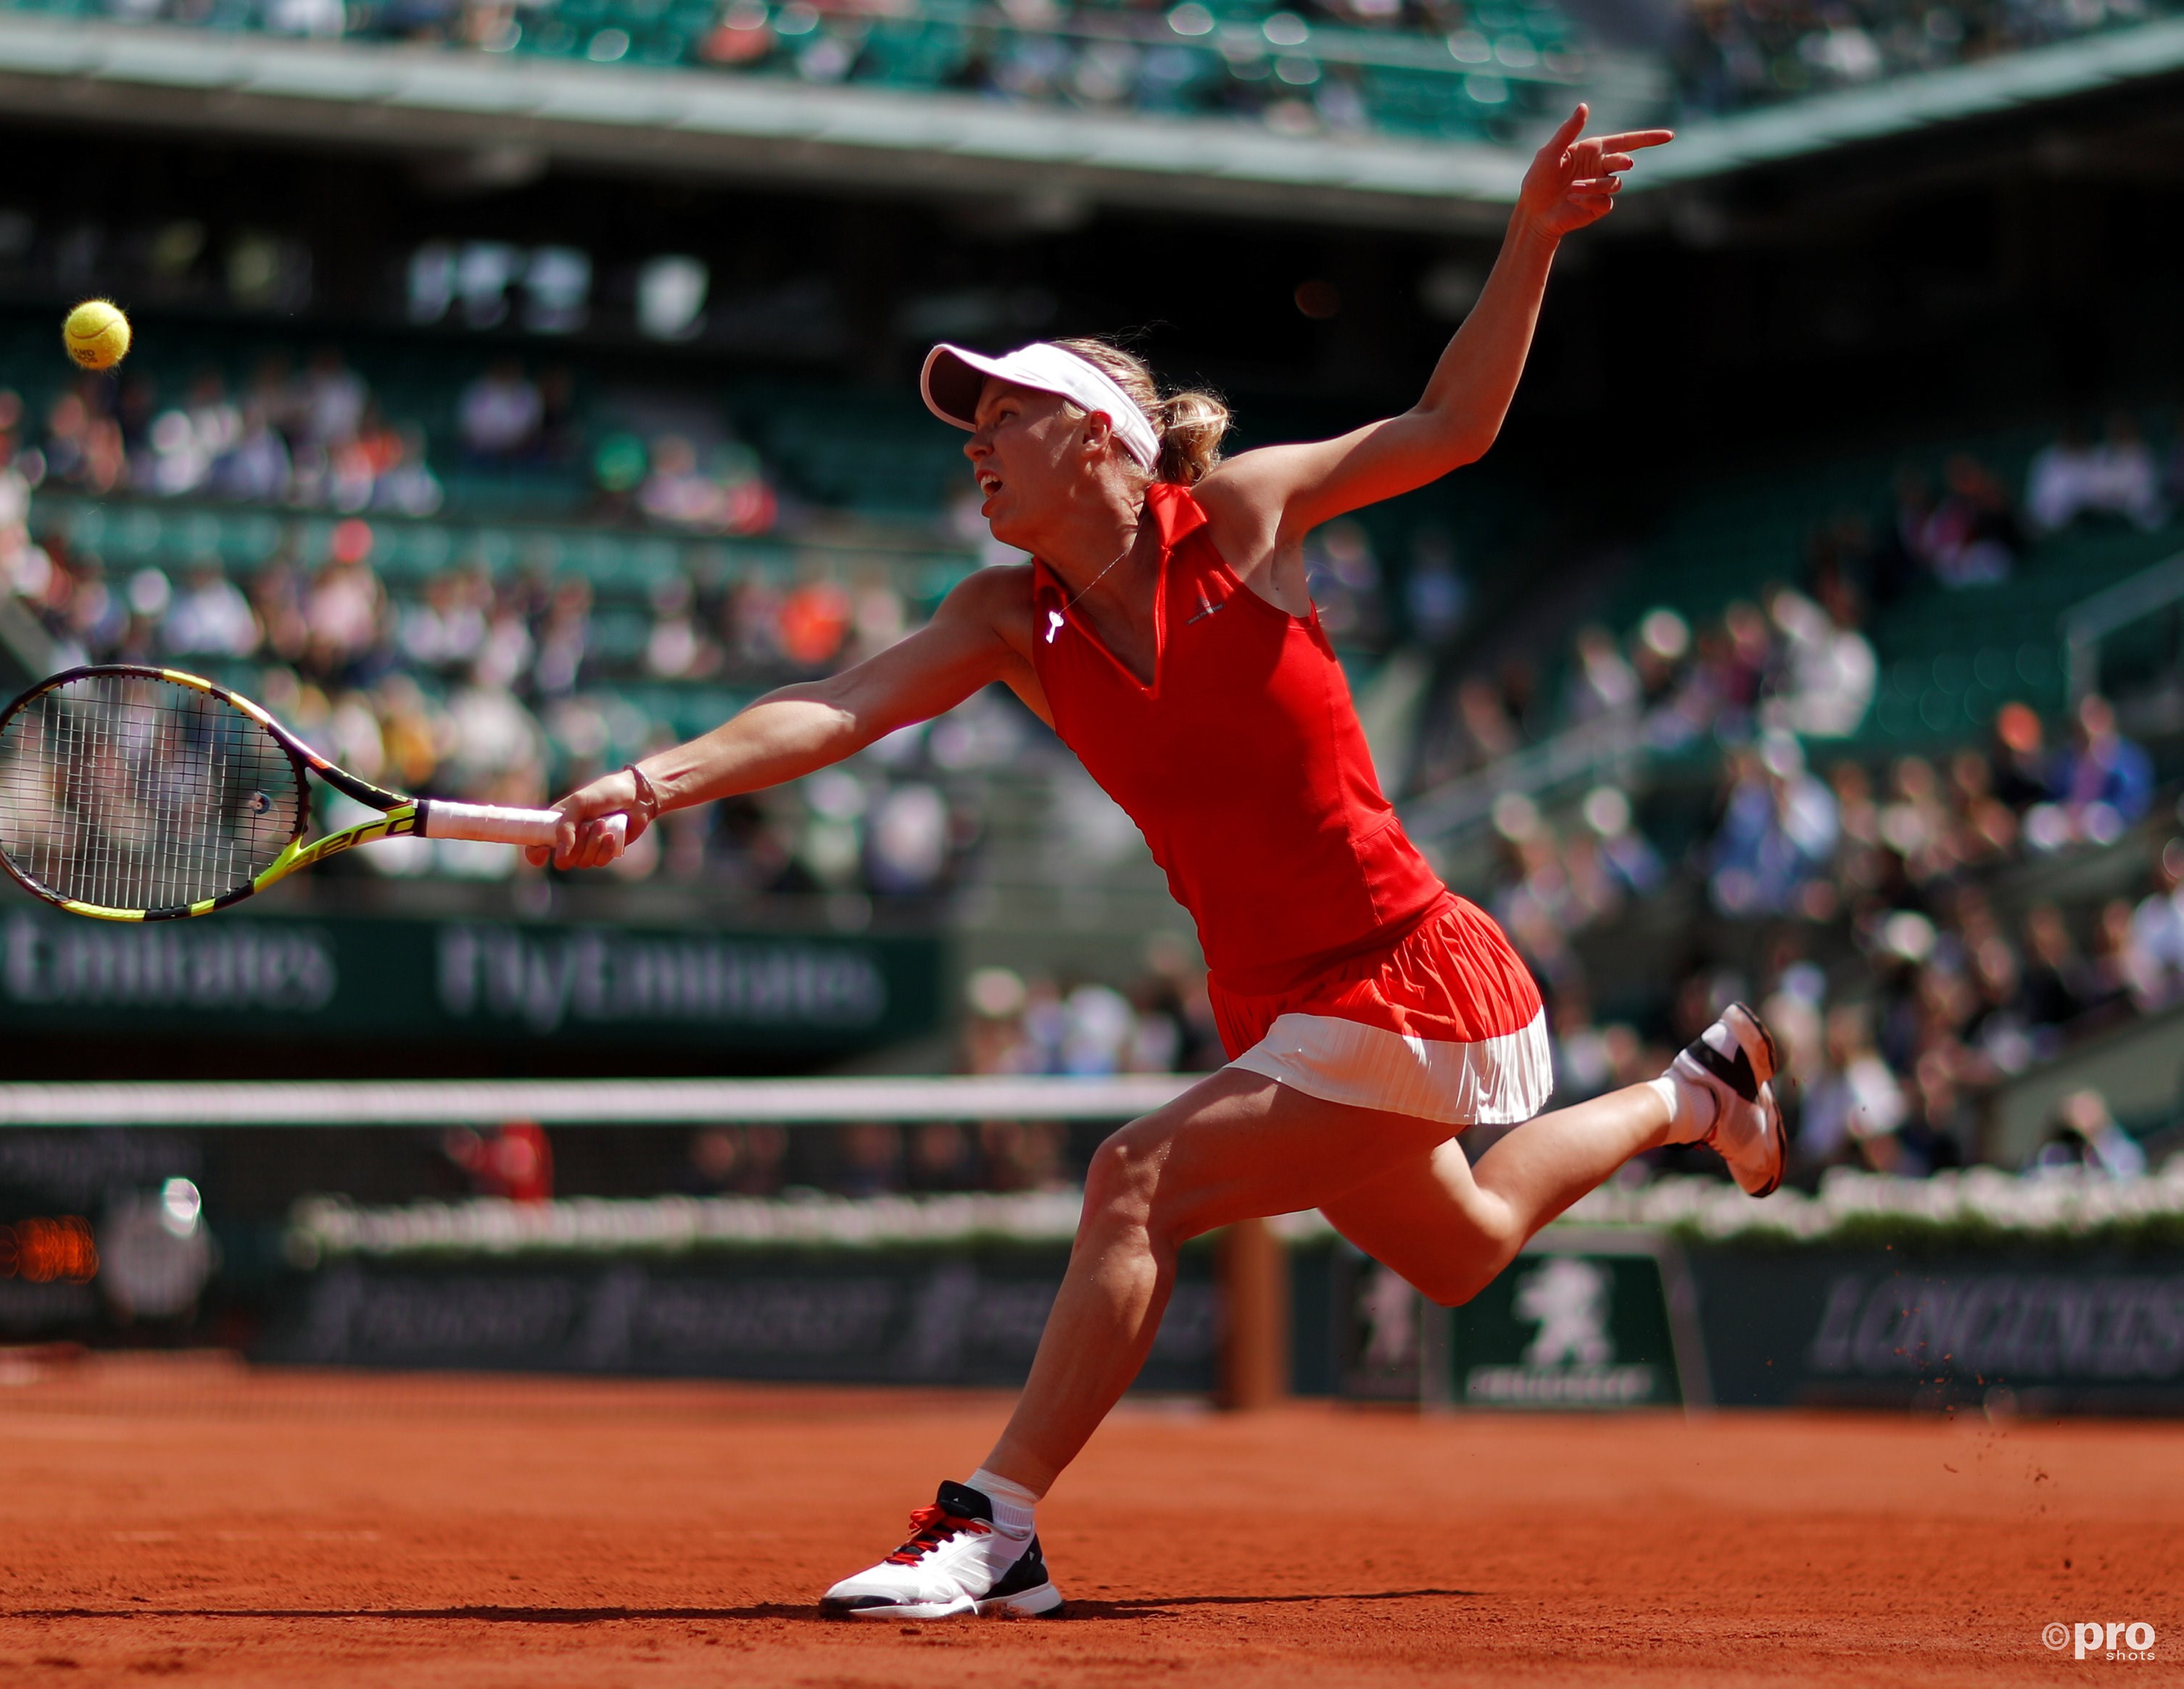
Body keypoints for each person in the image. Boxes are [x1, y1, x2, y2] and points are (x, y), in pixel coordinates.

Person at [531, 107, 1775, 1623]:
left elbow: (1449, 427)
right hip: (1276, 994)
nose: (977, 440)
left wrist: (1527, 239)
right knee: (1459, 1249)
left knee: (1134, 1180)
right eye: (969, 419)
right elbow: (835, 704)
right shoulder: (1007, 617)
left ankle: (995, 1527)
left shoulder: (1240, 519)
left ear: (1102, 441)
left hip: (1401, 973)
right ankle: (1690, 1090)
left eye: (1005, 414)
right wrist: (649, 784)